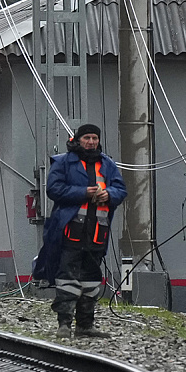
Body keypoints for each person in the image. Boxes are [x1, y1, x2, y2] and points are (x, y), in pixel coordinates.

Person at [34, 123, 127, 336]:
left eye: (94, 138)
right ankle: (64, 324)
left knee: (92, 280)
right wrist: (83, 192)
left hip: (97, 233)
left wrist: (109, 194)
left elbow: (121, 189)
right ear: (78, 140)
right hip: (69, 231)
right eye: (87, 138)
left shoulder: (107, 165)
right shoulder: (64, 162)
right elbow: (54, 189)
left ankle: (85, 325)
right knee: (67, 277)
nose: (91, 142)